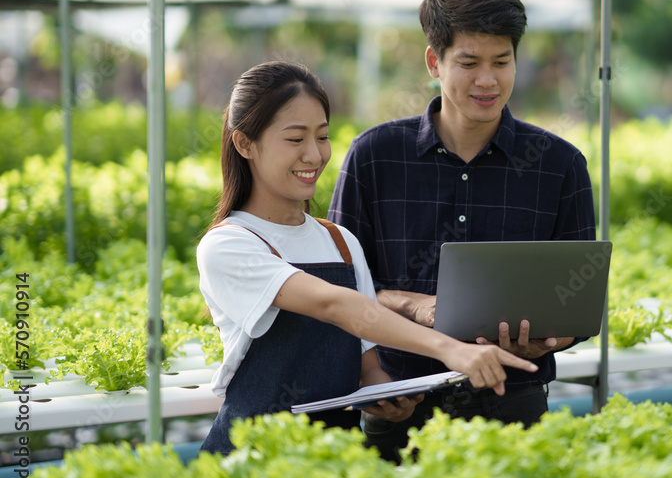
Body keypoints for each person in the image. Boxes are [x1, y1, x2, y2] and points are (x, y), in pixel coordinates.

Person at [196, 61, 537, 455]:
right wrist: (451, 349)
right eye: (295, 139)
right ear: (244, 144)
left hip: (336, 461)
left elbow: (366, 365)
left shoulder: (340, 241)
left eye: (322, 137)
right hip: (250, 458)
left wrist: (383, 394)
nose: (314, 155)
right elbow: (334, 304)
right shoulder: (230, 244)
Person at [329, 0, 596, 463]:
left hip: (513, 406)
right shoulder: (374, 157)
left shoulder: (559, 165)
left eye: (502, 61)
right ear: (434, 61)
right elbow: (339, 289)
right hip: (399, 404)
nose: (488, 80)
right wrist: (412, 309)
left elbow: (579, 299)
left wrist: (551, 340)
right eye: (469, 63)